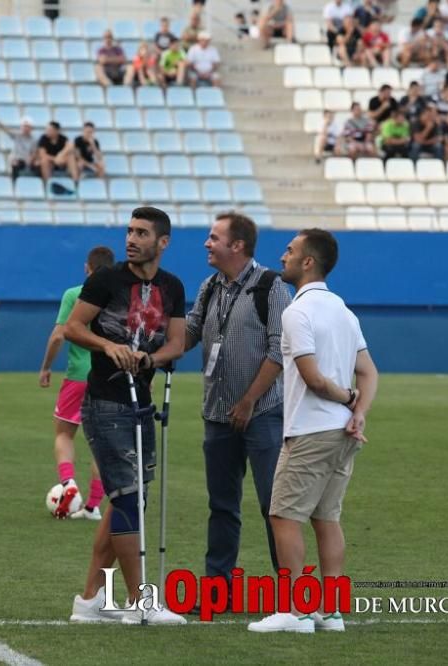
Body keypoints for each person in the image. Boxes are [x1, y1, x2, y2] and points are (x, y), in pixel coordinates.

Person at [248, 229, 378, 634]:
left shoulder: (296, 312)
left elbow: (314, 379)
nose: (282, 256)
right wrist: (359, 413)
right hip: (341, 434)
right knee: (327, 519)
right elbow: (370, 370)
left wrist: (348, 398)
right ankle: (331, 611)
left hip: (310, 431)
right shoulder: (343, 309)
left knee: (283, 516)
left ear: (308, 262)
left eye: (290, 251)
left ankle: (294, 611)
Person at [65, 207, 187, 625]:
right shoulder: (105, 280)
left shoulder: (172, 286)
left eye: (141, 233)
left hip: (141, 404)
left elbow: (177, 342)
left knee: (126, 502)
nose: (131, 239)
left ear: (163, 242)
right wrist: (108, 346)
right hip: (104, 404)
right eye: (129, 231)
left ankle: (89, 601)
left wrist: (151, 358)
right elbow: (73, 328)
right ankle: (142, 602)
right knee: (128, 500)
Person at [185, 212, 292, 602]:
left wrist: (248, 401)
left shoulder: (271, 286)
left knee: (273, 506)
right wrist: (151, 348)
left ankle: (288, 594)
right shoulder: (209, 286)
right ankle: (218, 591)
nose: (206, 244)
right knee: (222, 507)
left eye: (214, 237)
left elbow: (279, 348)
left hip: (262, 414)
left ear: (238, 246)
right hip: (217, 415)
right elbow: (191, 332)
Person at [39, 246, 116, 520]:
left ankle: (68, 482)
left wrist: (46, 367)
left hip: (78, 376)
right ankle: (93, 506)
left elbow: (59, 336)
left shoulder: (75, 294)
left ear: (88, 268)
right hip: (111, 377)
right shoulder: (118, 296)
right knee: (102, 443)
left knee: (64, 433)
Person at [0, 116, 36, 182]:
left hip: (25, 160)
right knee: (15, 164)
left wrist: (30, 159)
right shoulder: (17, 135)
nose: (26, 128)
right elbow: (7, 130)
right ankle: (14, 183)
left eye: (27, 126)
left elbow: (33, 152)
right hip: (16, 159)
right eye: (24, 126)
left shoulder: (33, 140)